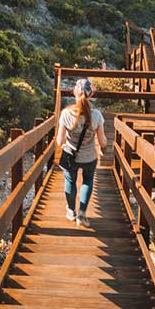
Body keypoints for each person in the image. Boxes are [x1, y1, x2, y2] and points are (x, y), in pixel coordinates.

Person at [56, 77, 106, 227]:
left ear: (74, 93)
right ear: (90, 95)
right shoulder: (96, 115)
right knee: (87, 181)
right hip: (89, 157)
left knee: (70, 181)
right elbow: (102, 141)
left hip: (70, 155)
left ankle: (71, 211)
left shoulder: (66, 114)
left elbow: (59, 141)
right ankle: (82, 214)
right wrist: (103, 146)